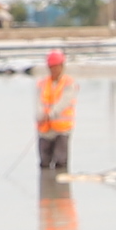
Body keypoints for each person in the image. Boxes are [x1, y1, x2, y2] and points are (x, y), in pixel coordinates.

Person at [33, 45, 76, 179]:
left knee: (61, 163)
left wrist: (51, 114)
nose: (54, 70)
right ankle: (46, 188)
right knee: (44, 163)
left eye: (57, 66)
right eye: (52, 67)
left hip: (62, 130)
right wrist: (40, 116)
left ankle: (60, 191)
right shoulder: (42, 84)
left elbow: (64, 101)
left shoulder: (69, 83)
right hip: (45, 130)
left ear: (62, 66)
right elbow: (38, 102)